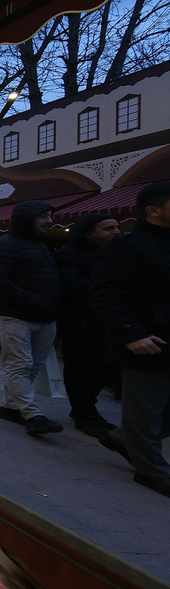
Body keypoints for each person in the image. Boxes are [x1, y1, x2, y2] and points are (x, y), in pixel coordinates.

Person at [92, 181, 170, 498]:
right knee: (145, 410)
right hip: (145, 340)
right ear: (153, 210)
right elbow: (105, 296)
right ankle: (152, 471)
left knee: (156, 414)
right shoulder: (124, 246)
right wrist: (131, 332)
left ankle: (125, 438)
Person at [0, 200, 63, 435]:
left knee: (33, 367)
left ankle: (9, 407)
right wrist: (31, 300)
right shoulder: (4, 245)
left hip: (44, 318)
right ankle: (33, 414)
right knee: (19, 365)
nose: (49, 221)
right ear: (26, 219)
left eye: (50, 215)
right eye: (43, 216)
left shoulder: (40, 246)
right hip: (13, 316)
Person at [54, 213, 122, 437]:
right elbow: (72, 285)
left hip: (109, 322)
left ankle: (86, 407)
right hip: (80, 322)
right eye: (108, 228)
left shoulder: (117, 254)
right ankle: (85, 413)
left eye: (116, 227)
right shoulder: (68, 255)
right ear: (88, 233)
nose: (116, 232)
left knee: (104, 368)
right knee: (80, 369)